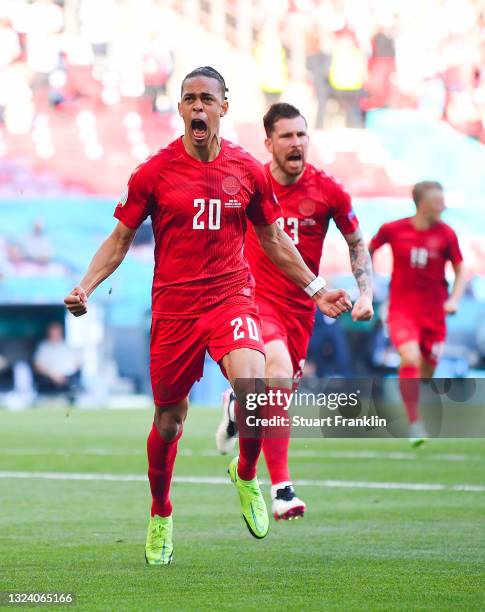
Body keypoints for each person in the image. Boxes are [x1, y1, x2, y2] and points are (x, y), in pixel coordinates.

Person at [64, 67, 352, 565]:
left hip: (231, 298)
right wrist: (85, 287)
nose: (198, 107)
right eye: (189, 99)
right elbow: (119, 240)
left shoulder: (248, 171)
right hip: (175, 309)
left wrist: (318, 287)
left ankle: (245, 474)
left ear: (224, 107)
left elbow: (274, 240)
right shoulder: (152, 173)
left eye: (207, 99)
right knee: (170, 421)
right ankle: (160, 513)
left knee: (255, 389)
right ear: (179, 109)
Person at [215, 103, 373, 520]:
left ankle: (238, 411)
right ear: (269, 143)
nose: (296, 143)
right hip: (249, 296)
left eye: (301, 135)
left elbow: (357, 244)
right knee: (278, 370)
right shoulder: (250, 182)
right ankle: (282, 489)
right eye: (286, 136)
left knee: (276, 394)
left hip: (302, 307)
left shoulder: (329, 191)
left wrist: (366, 294)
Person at [369, 181, 465, 445]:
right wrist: (369, 283)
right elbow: (367, 249)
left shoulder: (447, 235)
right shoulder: (393, 229)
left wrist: (454, 299)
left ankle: (408, 388)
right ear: (422, 204)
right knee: (409, 357)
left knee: (426, 371)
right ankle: (415, 424)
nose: (443, 206)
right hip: (402, 308)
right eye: (438, 202)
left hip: (434, 312)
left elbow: (459, 270)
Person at [33, 322, 81, 401]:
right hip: (48, 379)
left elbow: (77, 364)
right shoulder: (44, 348)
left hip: (67, 378)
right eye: (53, 333)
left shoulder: (68, 347)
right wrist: (53, 376)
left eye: (57, 333)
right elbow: (38, 366)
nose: (55, 335)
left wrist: (64, 376)